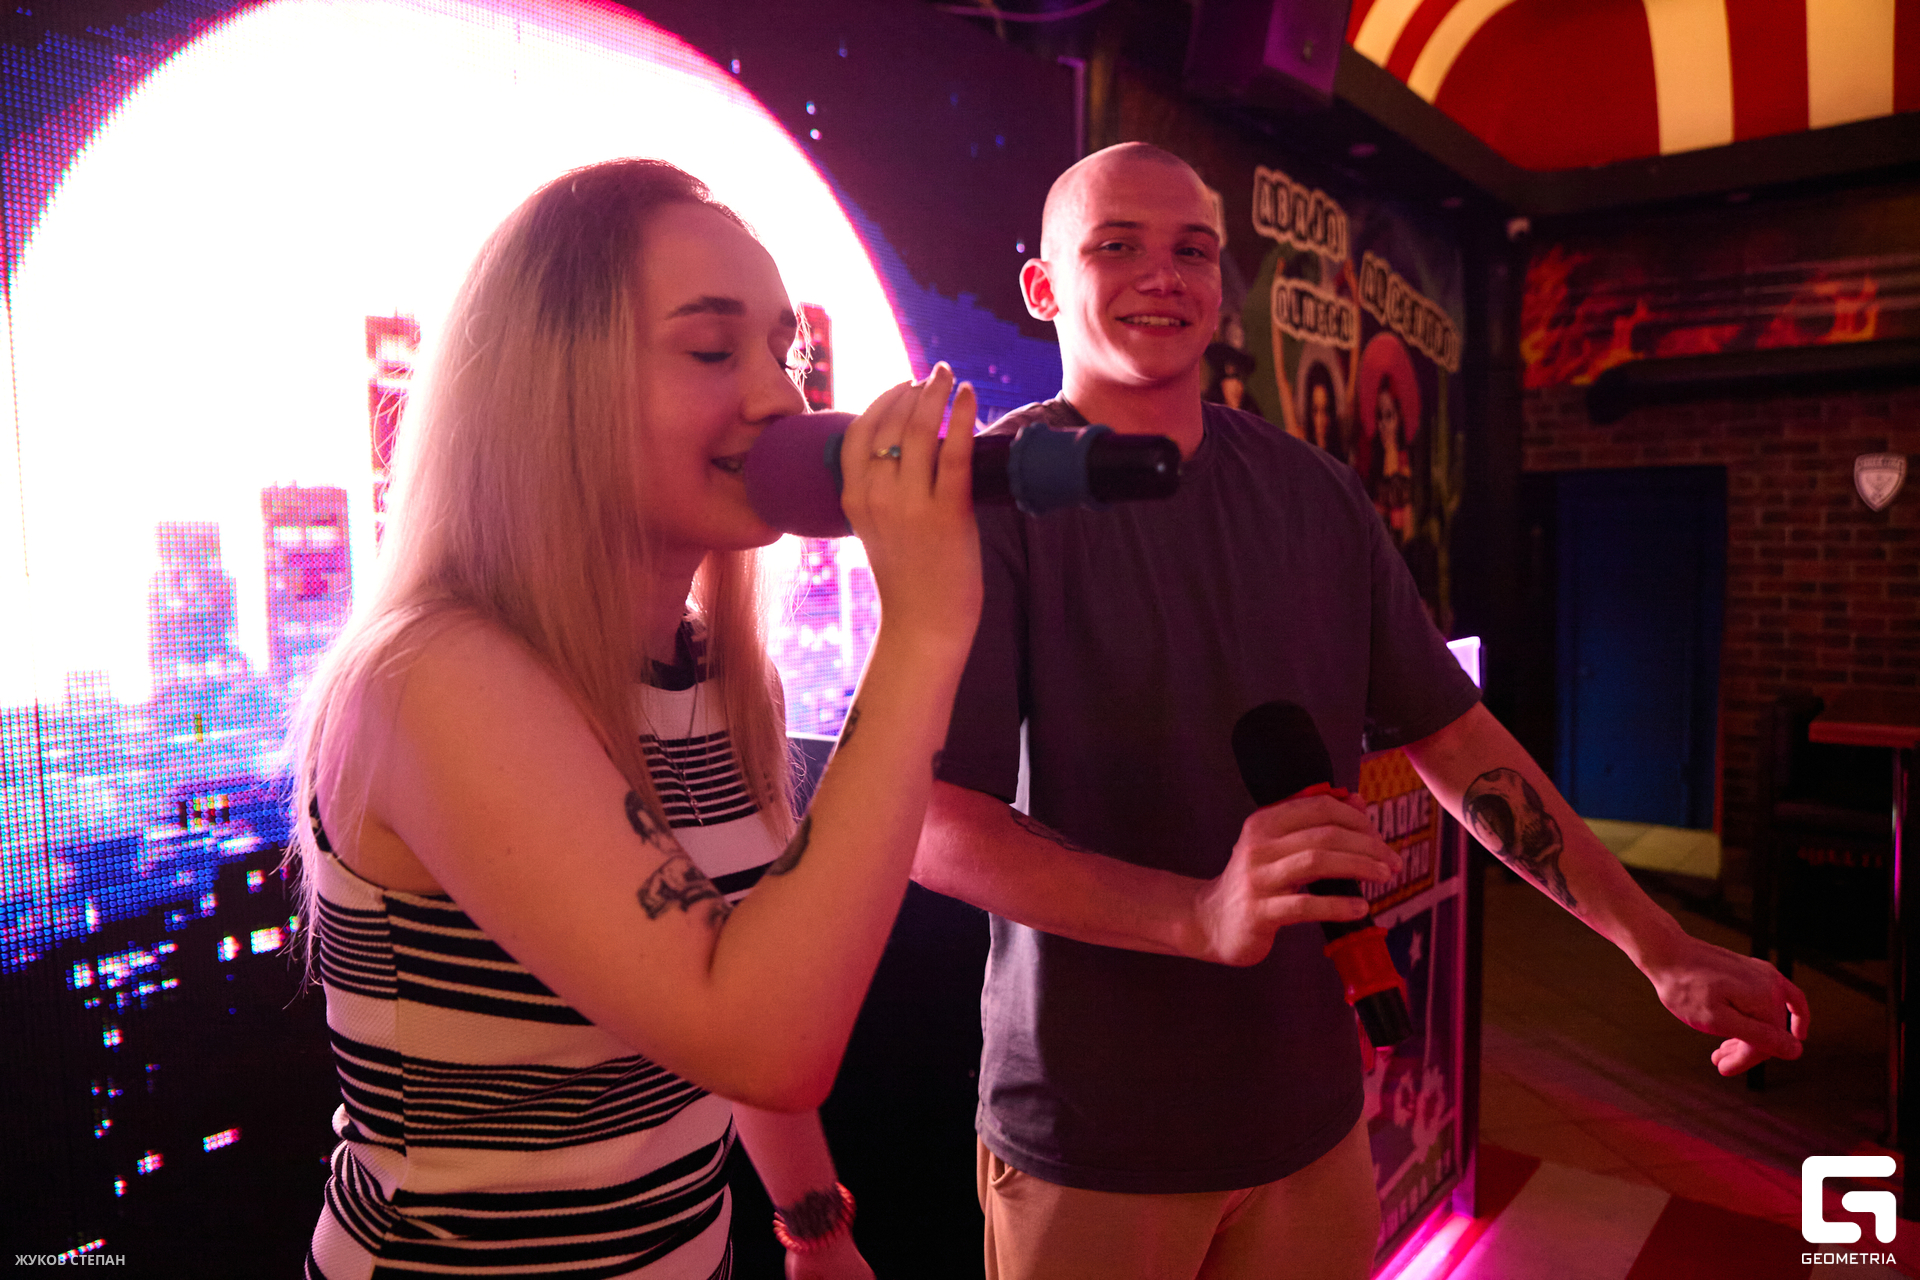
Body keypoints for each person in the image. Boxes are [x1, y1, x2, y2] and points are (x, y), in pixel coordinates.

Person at [914, 142, 1810, 1280]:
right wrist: (1200, 914)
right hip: (1098, 1131)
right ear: (1044, 287)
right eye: (1117, 245)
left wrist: (1658, 946)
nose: (1164, 275)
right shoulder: (990, 498)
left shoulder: (1314, 492)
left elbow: (1454, 735)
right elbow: (932, 824)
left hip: (1311, 1110)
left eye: (1194, 249)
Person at [287, 159, 980, 1280]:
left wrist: (813, 1223)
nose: (780, 400)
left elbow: (741, 960)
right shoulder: (432, 677)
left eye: (786, 355)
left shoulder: (719, 676)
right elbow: (760, 1032)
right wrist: (925, 633)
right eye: (711, 351)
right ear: (550, 387)